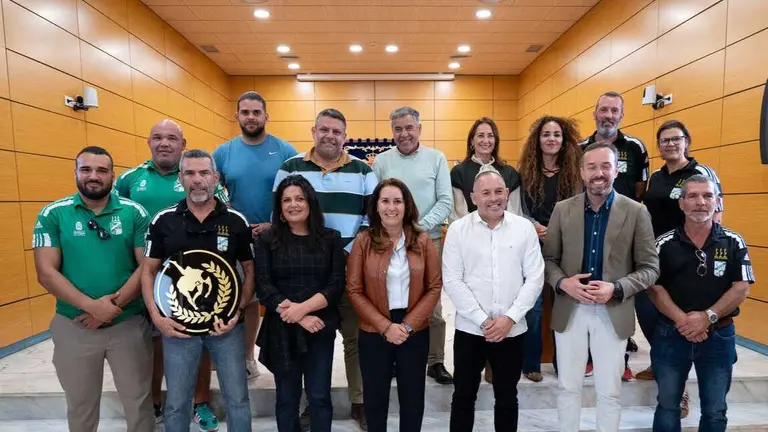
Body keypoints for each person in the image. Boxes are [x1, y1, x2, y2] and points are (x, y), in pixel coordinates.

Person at [115, 119, 228, 428]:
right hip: (147, 274)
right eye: (157, 137)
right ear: (149, 141)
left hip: (193, 276)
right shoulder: (129, 179)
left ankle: (200, 402)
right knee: (152, 344)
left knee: (199, 340)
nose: (164, 143)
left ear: (183, 144)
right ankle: (154, 402)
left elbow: (223, 215)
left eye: (171, 138)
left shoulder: (201, 175)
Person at [32, 146, 153, 432]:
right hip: (74, 325)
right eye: (86, 169)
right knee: (80, 405)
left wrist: (113, 307)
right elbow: (46, 273)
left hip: (127, 324)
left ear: (113, 175)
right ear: (75, 172)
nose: (94, 176)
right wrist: (93, 307)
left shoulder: (135, 212)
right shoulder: (53, 214)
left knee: (138, 402)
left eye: (102, 170)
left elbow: (147, 266)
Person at [273, 108, 377, 430]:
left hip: (350, 270)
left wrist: (345, 254)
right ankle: (311, 403)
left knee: (355, 339)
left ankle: (359, 401)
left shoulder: (363, 170)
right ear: (314, 131)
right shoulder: (291, 167)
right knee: (308, 340)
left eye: (336, 131)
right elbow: (279, 216)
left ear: (345, 136)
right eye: (324, 130)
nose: (330, 136)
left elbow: (371, 219)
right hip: (304, 276)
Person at [543, 142, 659, 432]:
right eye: (592, 167)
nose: (599, 173)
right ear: (582, 172)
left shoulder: (636, 212)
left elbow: (650, 268)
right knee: (568, 388)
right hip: (570, 310)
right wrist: (562, 282)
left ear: (616, 170)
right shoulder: (562, 210)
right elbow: (548, 260)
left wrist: (616, 288)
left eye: (606, 166)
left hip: (613, 311)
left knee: (609, 392)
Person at [141, 149, 254, 432]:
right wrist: (157, 317)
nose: (197, 180)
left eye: (204, 173)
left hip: (227, 327)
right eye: (189, 173)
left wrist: (238, 311)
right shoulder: (163, 220)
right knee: (177, 402)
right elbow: (148, 271)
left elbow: (250, 272)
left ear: (215, 178)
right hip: (177, 327)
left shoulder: (236, 221)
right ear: (180, 179)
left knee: (238, 399)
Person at [442, 166, 545, 431]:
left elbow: (535, 278)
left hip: (512, 329)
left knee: (507, 397)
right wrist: (482, 320)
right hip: (470, 330)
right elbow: (452, 280)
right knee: (463, 396)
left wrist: (509, 318)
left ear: (507, 193)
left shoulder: (524, 229)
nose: (493, 198)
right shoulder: (458, 230)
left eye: (499, 191)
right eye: (486, 193)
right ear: (473, 197)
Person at [649, 174, 753, 432]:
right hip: (671, 334)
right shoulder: (663, 243)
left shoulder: (733, 241)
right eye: (693, 196)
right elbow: (653, 287)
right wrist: (683, 321)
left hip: (718, 336)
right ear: (681, 203)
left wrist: (707, 317)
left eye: (707, 195)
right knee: (668, 406)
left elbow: (741, 286)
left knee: (715, 410)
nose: (700, 202)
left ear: (717, 202)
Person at [636, 120, 726, 417]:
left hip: (688, 256)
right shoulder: (657, 177)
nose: (671, 144)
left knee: (680, 315)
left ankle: (681, 387)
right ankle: (660, 360)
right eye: (665, 140)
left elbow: (716, 213)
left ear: (687, 141)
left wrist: (704, 250)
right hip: (655, 253)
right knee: (648, 309)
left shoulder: (701, 172)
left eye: (676, 139)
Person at [213, 91, 298, 380]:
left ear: (266, 116)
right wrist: (229, 217)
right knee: (243, 298)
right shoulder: (223, 152)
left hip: (278, 237)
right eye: (245, 112)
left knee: (276, 298)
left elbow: (297, 194)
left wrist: (275, 224)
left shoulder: (285, 151)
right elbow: (212, 189)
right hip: (235, 240)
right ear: (236, 115)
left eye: (256, 112)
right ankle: (243, 357)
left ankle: (271, 357)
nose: (251, 117)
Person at [347, 178, 442, 432]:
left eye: (397, 201)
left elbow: (434, 287)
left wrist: (408, 325)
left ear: (407, 206)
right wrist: (385, 326)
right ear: (376, 206)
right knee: (375, 399)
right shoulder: (363, 241)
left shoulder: (422, 241)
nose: (391, 207)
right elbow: (354, 290)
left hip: (414, 328)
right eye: (385, 201)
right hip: (374, 328)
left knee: (413, 399)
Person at [255, 175, 345, 432]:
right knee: (286, 398)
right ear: (280, 207)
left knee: (319, 395)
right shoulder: (267, 239)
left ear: (310, 202)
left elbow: (336, 284)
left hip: (320, 325)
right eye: (286, 200)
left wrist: (302, 310)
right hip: (282, 327)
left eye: (299, 198)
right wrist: (298, 316)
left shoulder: (330, 238)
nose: (293, 204)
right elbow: (264, 285)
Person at [373, 106, 454, 385]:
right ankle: (396, 356)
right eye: (398, 129)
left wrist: (417, 228)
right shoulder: (382, 161)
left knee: (432, 303)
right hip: (390, 241)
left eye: (409, 127)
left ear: (419, 129)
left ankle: (435, 360)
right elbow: (376, 201)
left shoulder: (436, 158)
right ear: (392, 131)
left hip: (428, 240)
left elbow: (445, 201)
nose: (404, 133)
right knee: (393, 299)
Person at [517, 115, 583, 382]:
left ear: (564, 140)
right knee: (533, 306)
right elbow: (520, 209)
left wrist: (556, 230)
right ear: (537, 139)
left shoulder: (574, 173)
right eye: (546, 134)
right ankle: (531, 363)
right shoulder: (525, 174)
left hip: (565, 245)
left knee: (564, 304)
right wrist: (534, 226)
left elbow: (579, 207)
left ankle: (562, 362)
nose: (551, 139)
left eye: (557, 134)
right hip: (532, 243)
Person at [578, 91, 649, 201]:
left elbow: (640, 188)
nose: (608, 115)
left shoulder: (636, 147)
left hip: (625, 211)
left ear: (621, 116)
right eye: (603, 110)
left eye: (614, 111)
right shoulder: (579, 148)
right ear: (594, 115)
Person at [449, 117, 523, 222]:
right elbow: (458, 216)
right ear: (472, 141)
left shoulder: (510, 173)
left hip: (504, 231)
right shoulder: (458, 173)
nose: (486, 140)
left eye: (490, 136)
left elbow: (515, 213)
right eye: (480, 135)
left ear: (495, 141)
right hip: (470, 230)